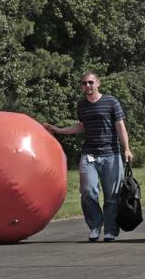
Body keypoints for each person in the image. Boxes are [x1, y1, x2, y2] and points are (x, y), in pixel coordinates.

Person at [42, 71, 133, 242]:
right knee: (88, 191)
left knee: (111, 195)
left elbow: (120, 126)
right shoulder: (82, 105)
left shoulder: (111, 102)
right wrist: (58, 130)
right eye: (84, 83)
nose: (87, 86)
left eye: (90, 82)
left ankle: (110, 230)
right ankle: (95, 226)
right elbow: (81, 126)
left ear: (98, 83)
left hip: (111, 154)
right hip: (89, 154)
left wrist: (126, 149)